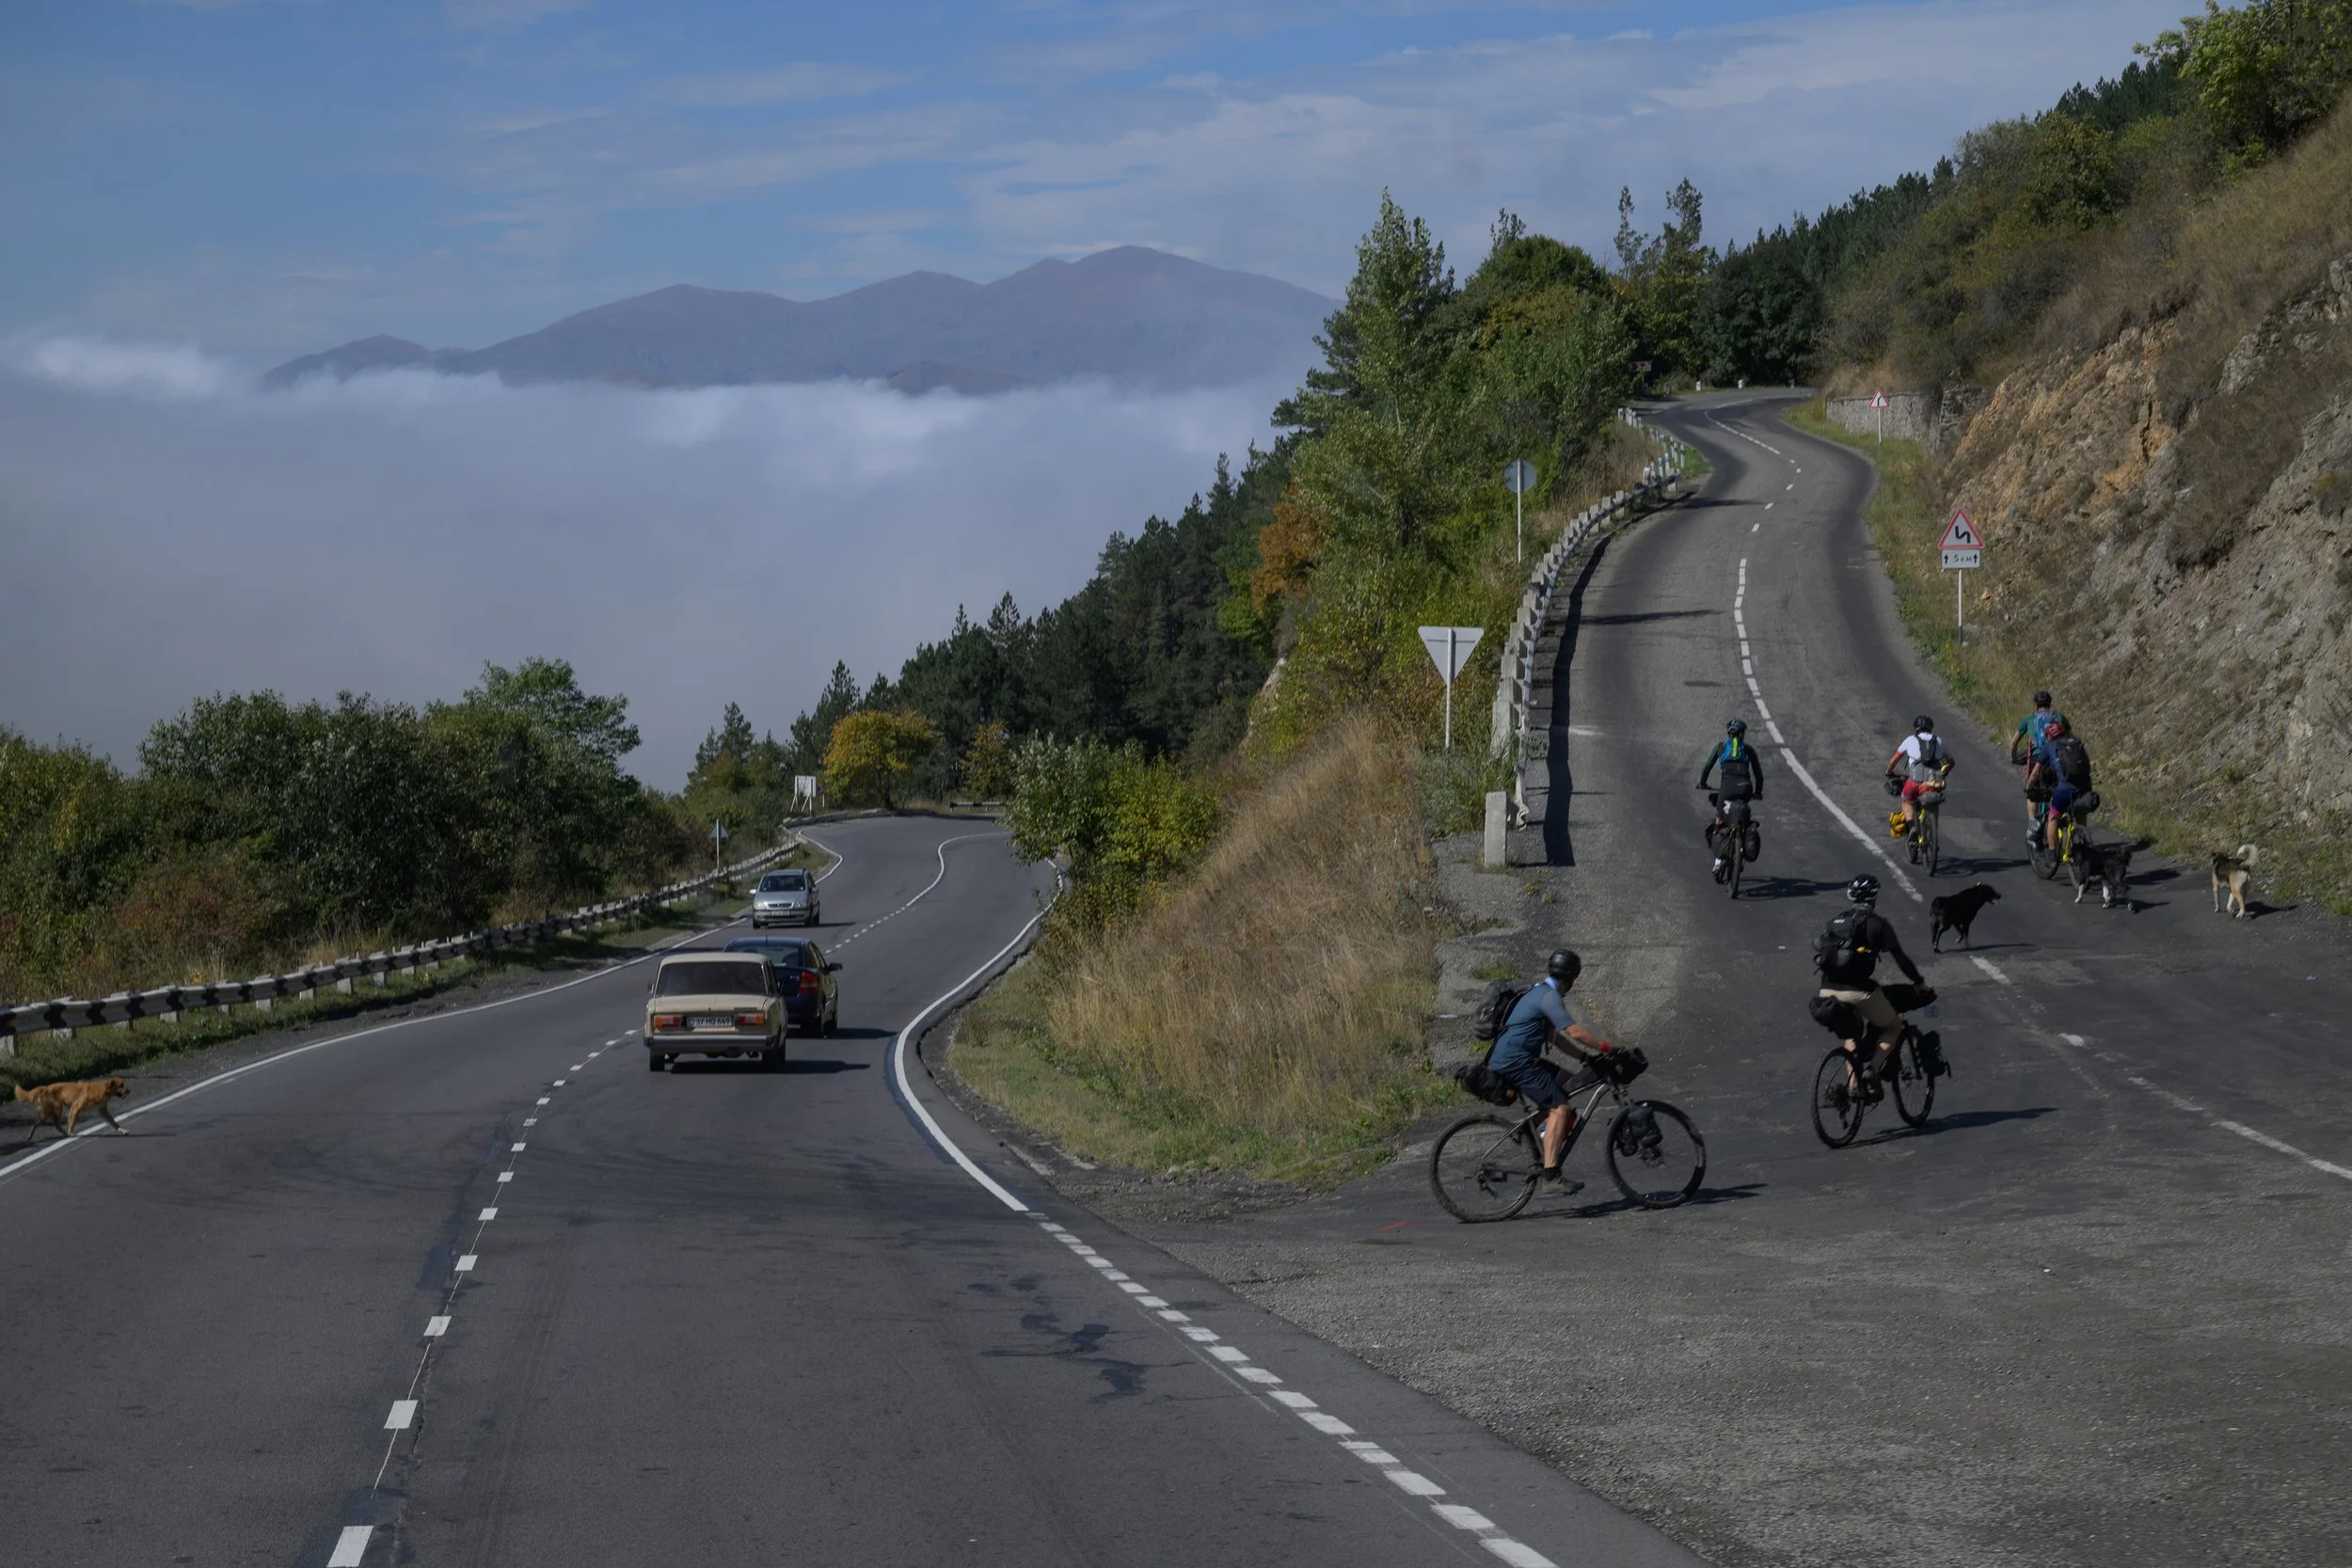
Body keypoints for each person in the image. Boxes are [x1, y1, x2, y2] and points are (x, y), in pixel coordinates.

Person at [1487, 949, 1618, 1193]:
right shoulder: (1548, 996)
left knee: (1570, 1083)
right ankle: (1551, 1175)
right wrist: (1607, 1047)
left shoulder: (1539, 992)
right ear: (1569, 976)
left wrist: (1585, 1057)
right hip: (1516, 1062)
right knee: (1560, 1108)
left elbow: (1555, 1039)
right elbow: (1575, 1032)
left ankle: (1532, 1130)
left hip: (1518, 1058)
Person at [1814, 875, 1926, 1091]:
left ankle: (1853, 1086)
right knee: (1893, 1026)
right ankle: (1871, 1070)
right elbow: (1900, 959)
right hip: (1858, 991)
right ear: (1874, 897)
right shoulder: (1878, 924)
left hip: (1827, 990)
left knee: (1850, 1034)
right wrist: (1918, 982)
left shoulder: (1835, 922)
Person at [1696, 719, 1766, 878]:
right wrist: (1758, 792)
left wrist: (1702, 783)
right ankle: (1741, 843)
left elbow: (1707, 766)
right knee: (1743, 814)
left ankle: (1718, 863)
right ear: (1741, 734)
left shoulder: (1720, 747)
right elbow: (1758, 775)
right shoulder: (1748, 749)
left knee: (1720, 819)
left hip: (1727, 788)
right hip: (1745, 787)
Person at [2029, 715, 2095, 851]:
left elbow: (2035, 773)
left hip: (2065, 788)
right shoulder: (2076, 742)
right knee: (2080, 813)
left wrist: (2029, 787)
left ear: (2048, 736)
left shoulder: (2049, 747)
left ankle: (2052, 854)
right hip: (2084, 785)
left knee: (2053, 818)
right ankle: (2083, 843)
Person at [1884, 715, 1954, 836]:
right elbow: (1951, 762)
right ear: (1931, 728)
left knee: (1906, 800)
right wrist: (1945, 772)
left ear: (1916, 728)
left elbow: (1893, 761)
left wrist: (1889, 772)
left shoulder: (1910, 740)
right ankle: (1932, 834)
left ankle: (1912, 828)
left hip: (1915, 780)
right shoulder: (1939, 740)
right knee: (1934, 801)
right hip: (1934, 781)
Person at [2010, 690, 2058, 845]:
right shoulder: (2057, 717)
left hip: (2036, 758)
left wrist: (2015, 758)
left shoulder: (2029, 719)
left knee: (2032, 792)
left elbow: (2014, 743)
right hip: (2054, 759)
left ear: (2036, 705)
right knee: (2055, 789)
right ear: (2049, 704)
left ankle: (2033, 822)